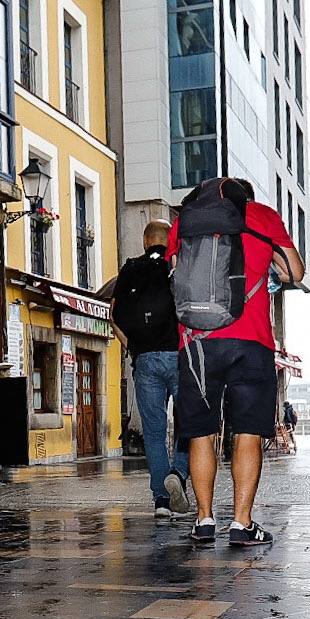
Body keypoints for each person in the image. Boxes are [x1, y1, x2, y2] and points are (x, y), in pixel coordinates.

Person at [168, 178, 305, 547]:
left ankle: (204, 520)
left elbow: (177, 271)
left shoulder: (185, 221)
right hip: (251, 340)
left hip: (196, 341)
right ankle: (242, 524)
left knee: (200, 433)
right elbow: (296, 272)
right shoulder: (263, 216)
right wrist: (271, 255)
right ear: (248, 196)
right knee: (247, 431)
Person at [112, 220, 191, 518]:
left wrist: (133, 347)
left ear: (145, 241)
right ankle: (178, 475)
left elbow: (114, 315)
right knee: (187, 425)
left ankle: (160, 501)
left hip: (144, 359)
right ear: (168, 240)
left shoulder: (131, 268)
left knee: (155, 434)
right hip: (179, 356)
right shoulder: (176, 266)